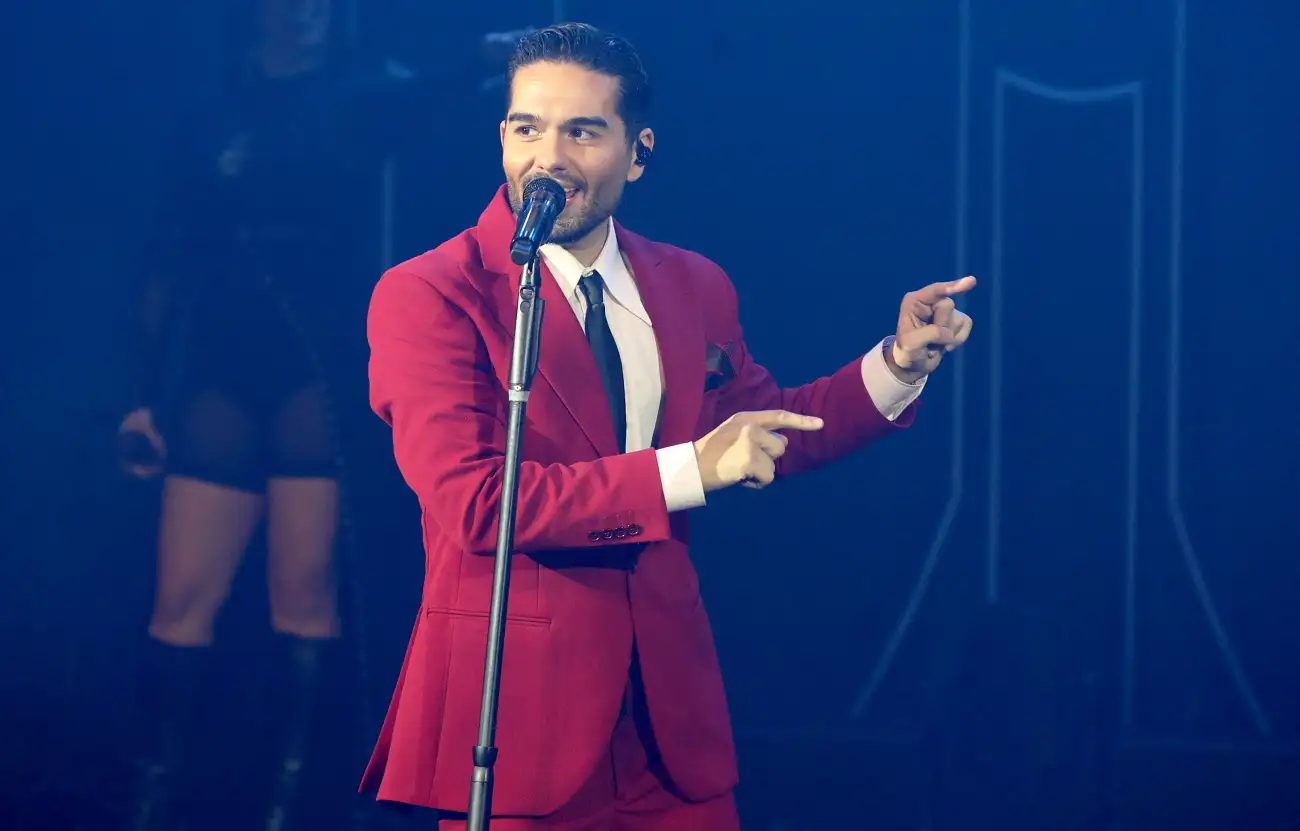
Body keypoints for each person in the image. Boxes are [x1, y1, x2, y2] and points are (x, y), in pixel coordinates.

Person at [360, 22, 976, 831]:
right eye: (528, 129)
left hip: (666, 722)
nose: (548, 158)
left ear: (638, 153)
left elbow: (761, 430)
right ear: (502, 137)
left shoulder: (690, 285)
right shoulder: (433, 293)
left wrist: (896, 365)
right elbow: (478, 505)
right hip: (517, 717)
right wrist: (689, 470)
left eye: (583, 132)